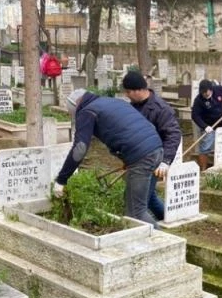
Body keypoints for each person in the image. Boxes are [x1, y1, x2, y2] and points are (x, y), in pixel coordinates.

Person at [53, 89, 163, 227]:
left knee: (136, 213)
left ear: (76, 106)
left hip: (143, 156)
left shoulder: (87, 111)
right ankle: (161, 224)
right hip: (157, 149)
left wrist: (61, 180)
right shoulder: (111, 101)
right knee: (140, 200)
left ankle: (161, 238)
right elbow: (131, 128)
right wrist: (128, 158)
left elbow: (80, 149)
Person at [123, 71, 182, 221]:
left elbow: (173, 135)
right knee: (149, 197)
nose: (126, 95)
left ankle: (153, 228)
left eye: (128, 92)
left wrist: (165, 161)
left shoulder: (160, 109)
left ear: (137, 90)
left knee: (139, 201)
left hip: (154, 160)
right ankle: (168, 218)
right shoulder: (133, 107)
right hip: (137, 159)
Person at [191, 79, 222, 171]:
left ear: (211, 89)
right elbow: (195, 116)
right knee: (205, 148)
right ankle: (203, 169)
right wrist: (204, 126)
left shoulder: (218, 90)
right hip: (210, 127)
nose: (205, 94)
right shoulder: (198, 100)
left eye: (206, 92)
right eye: (203, 93)